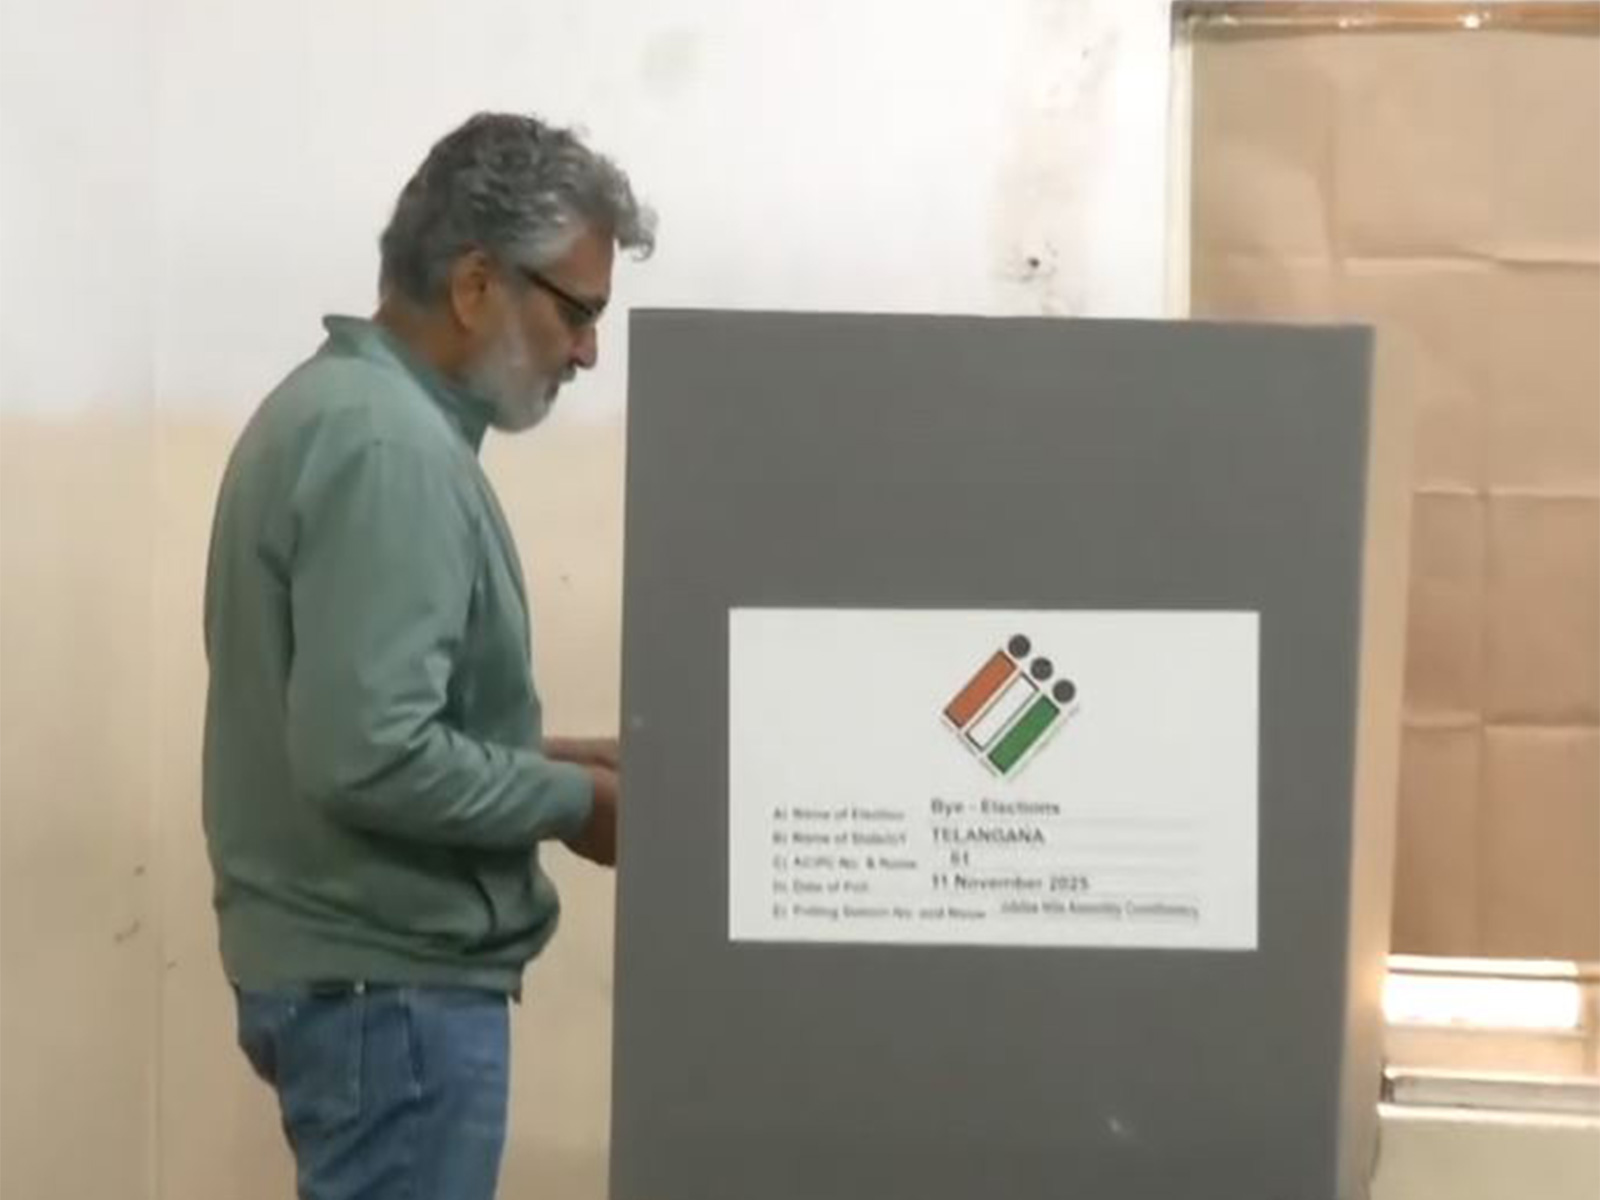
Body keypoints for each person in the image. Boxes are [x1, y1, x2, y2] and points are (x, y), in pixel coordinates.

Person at [201, 112, 655, 1200]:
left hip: (359, 994)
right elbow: (368, 754)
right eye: (579, 311)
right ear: (476, 285)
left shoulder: (341, 415)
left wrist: (549, 755)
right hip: (388, 997)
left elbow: (361, 721)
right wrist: (570, 803)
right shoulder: (389, 449)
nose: (590, 349)